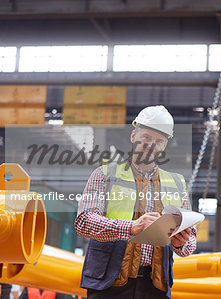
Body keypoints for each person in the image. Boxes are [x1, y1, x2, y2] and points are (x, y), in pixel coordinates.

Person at [75, 105, 197, 299]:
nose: (151, 145)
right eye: (146, 138)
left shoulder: (177, 183)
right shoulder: (104, 174)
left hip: (154, 286)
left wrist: (181, 244)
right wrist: (131, 227)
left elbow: (190, 241)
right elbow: (84, 222)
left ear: (164, 145)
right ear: (134, 136)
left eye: (159, 141)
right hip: (109, 285)